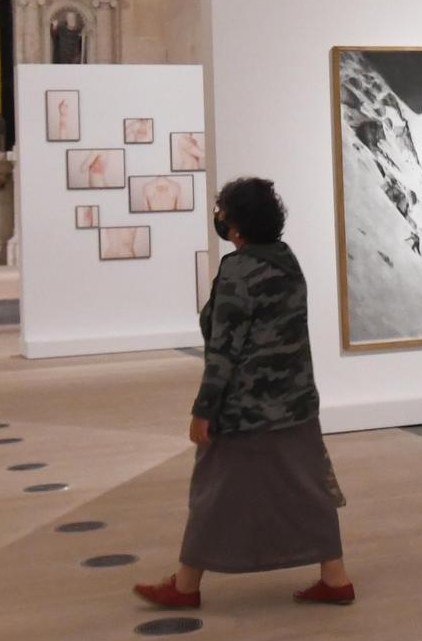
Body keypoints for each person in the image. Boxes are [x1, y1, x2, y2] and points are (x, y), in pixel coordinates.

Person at [135, 177, 354, 610]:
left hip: (245, 409)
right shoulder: (287, 260)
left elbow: (223, 351)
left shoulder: (238, 270)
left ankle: (185, 586)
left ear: (237, 227)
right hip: (295, 402)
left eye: (224, 214)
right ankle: (335, 577)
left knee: (212, 492)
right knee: (309, 488)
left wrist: (203, 411)